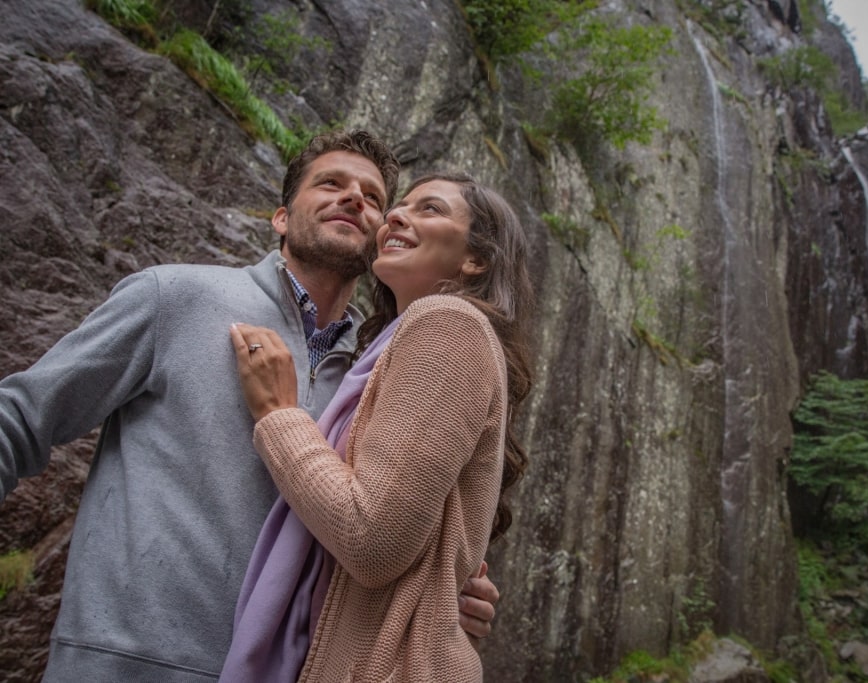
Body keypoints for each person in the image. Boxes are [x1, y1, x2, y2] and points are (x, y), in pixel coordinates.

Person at [0, 130, 498, 682]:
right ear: (281, 218)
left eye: (374, 197)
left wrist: (445, 592)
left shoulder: (388, 365)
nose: (355, 198)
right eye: (330, 183)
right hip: (125, 665)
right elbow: (20, 420)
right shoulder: (173, 297)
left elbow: (380, 522)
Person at [222, 171, 534, 682]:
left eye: (428, 208)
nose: (394, 214)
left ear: (475, 259)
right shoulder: (390, 348)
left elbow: (372, 540)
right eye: (399, 206)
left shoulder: (449, 324)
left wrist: (279, 416)